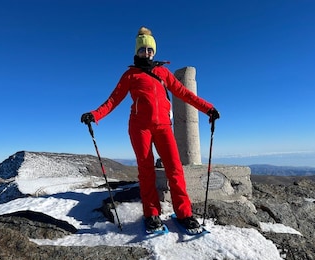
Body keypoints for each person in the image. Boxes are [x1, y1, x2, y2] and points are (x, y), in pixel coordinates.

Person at [81, 26, 220, 234]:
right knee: (146, 171)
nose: (146, 53)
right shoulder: (130, 75)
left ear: (154, 51)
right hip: (139, 128)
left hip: (164, 126)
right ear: (136, 51)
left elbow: (184, 93)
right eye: (142, 49)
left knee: (175, 168)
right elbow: (113, 100)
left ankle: (184, 213)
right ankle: (152, 214)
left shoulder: (163, 72)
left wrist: (207, 108)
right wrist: (95, 114)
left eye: (150, 50)